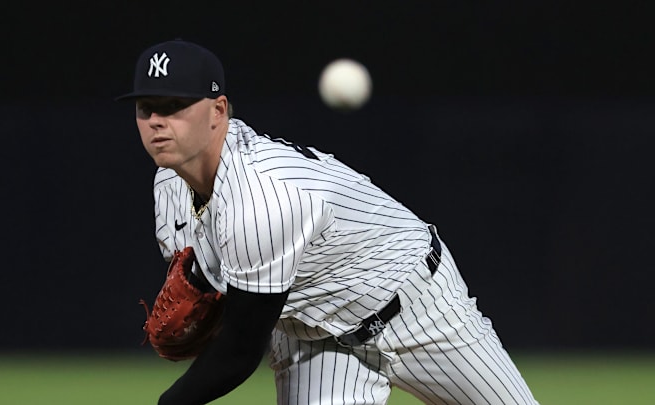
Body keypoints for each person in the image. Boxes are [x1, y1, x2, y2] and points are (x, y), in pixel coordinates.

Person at [117, 39, 539, 405]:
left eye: (175, 106)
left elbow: (242, 348)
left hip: (416, 308)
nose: (157, 120)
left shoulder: (263, 196)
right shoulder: (169, 185)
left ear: (218, 111)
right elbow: (227, 297)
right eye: (146, 107)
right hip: (312, 336)